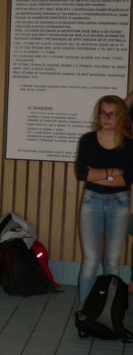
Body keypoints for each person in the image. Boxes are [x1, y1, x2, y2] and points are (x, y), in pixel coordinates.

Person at [75, 95, 133, 304]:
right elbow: (82, 174)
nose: (107, 118)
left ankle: (109, 312)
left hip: (120, 203)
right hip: (92, 202)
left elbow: (126, 180)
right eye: (103, 113)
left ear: (121, 117)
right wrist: (112, 172)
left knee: (112, 262)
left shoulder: (129, 144)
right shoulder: (88, 140)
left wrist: (97, 174)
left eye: (112, 114)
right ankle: (85, 311)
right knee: (90, 262)